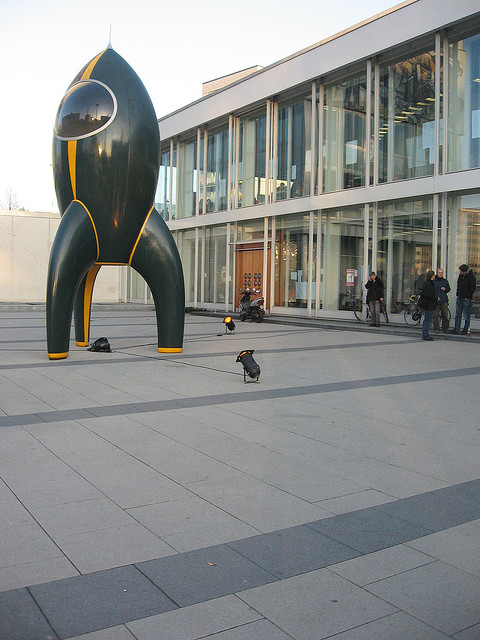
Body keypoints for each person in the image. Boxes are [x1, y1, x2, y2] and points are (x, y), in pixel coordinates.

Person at [451, 264, 476, 335]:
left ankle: (466, 329)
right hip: (460, 296)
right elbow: (458, 285)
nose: (460, 272)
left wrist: (468, 296)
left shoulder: (471, 277)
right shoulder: (461, 276)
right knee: (458, 313)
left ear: (465, 271)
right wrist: (458, 293)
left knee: (466, 315)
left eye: (461, 271)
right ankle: (456, 329)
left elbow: (472, 288)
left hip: (466, 298)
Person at [420, 269, 437, 341]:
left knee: (426, 320)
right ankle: (426, 335)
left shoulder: (426, 283)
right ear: (432, 276)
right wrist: (436, 298)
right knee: (428, 320)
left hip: (426, 304)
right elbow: (430, 295)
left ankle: (425, 334)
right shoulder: (430, 284)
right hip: (429, 304)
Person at [433, 268, 450, 333]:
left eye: (441, 273)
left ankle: (445, 328)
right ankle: (436, 328)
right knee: (436, 315)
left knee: (445, 314)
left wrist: (445, 289)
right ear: (437, 273)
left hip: (443, 300)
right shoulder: (434, 281)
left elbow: (448, 289)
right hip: (436, 300)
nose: (441, 274)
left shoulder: (445, 281)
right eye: (439, 272)